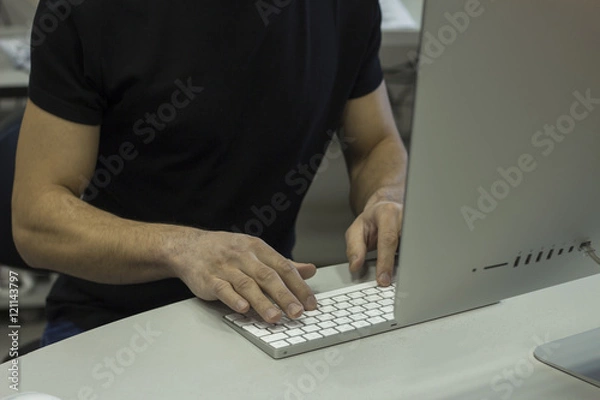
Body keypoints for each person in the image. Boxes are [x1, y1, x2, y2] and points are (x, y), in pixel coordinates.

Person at [12, 0, 407, 346]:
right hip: (111, 320)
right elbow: (36, 219)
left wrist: (387, 195)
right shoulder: (90, 10)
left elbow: (375, 144)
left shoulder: (346, 8)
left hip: (266, 309)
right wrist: (183, 249)